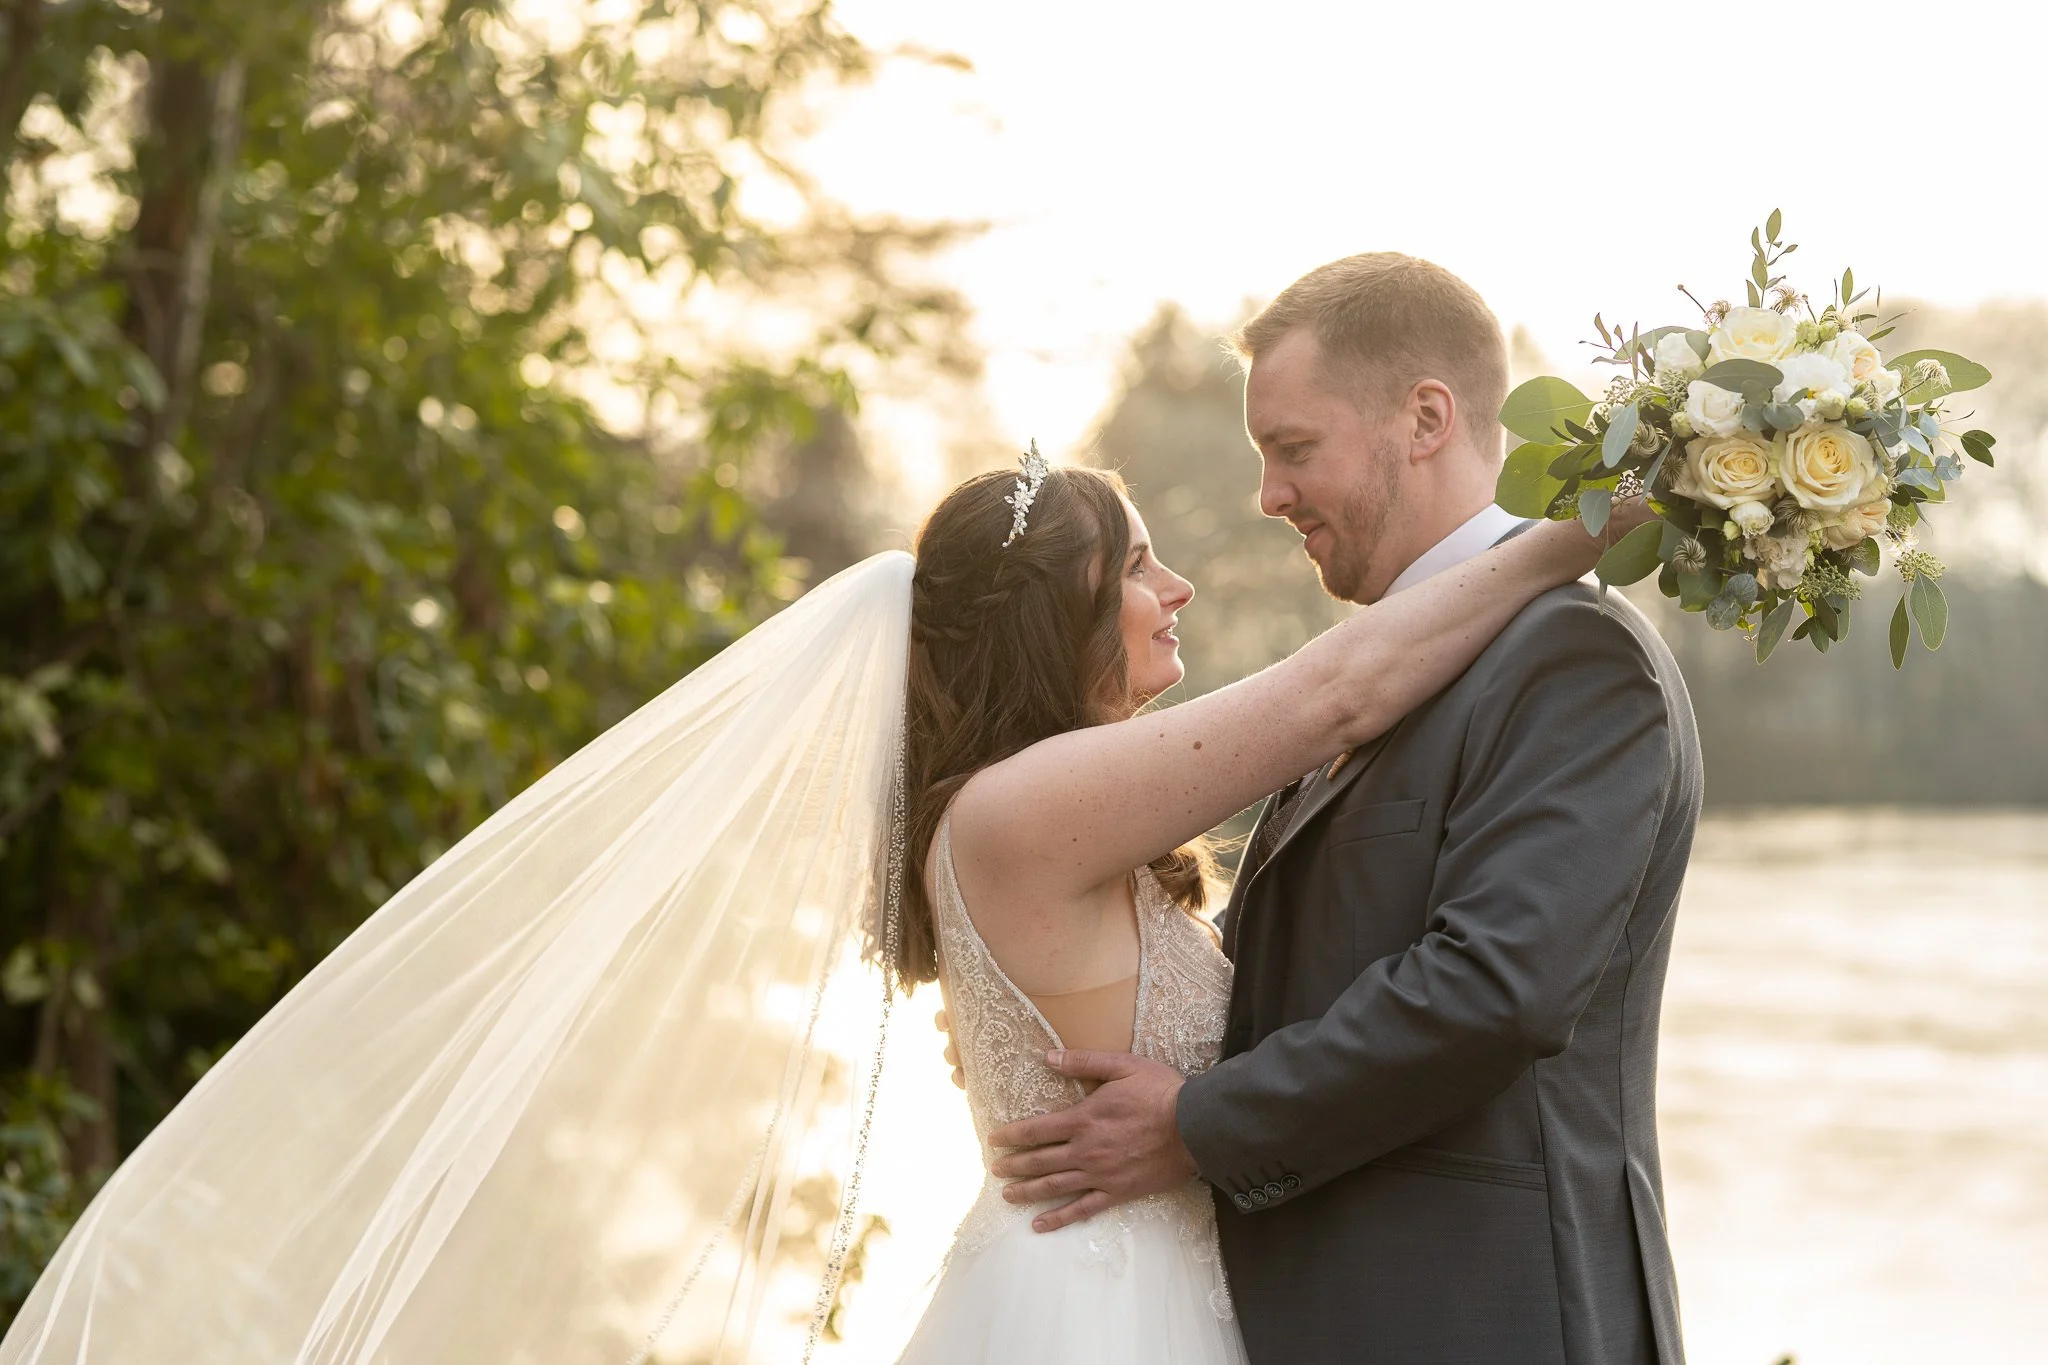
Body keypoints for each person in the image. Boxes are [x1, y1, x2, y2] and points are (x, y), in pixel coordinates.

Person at [979, 253, 1702, 1365]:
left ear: (1423, 419)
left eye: (1292, 448)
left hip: (1479, 1317)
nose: (1268, 495)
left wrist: (1195, 1125)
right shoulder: (1376, 676)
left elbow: (1495, 990)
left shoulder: (1567, 654)